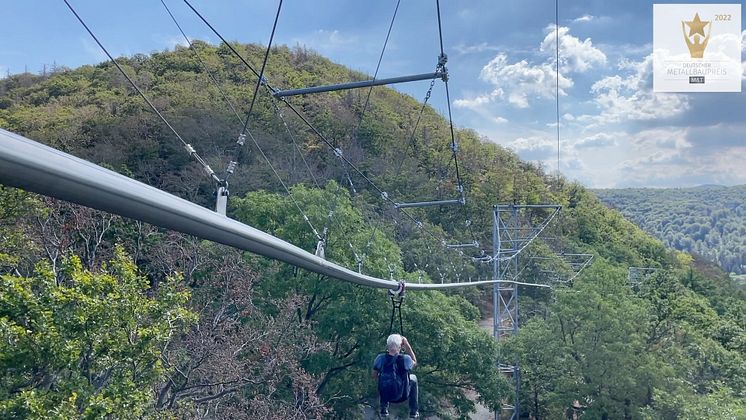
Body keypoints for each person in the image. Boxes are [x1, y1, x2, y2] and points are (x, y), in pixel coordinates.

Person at [372, 334, 419, 418]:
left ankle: (383, 408)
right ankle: (413, 411)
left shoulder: (380, 358)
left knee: (381, 376)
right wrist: (407, 346)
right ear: (400, 346)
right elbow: (415, 362)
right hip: (402, 395)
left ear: (387, 346)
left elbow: (374, 375)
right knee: (413, 378)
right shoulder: (406, 359)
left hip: (386, 396)